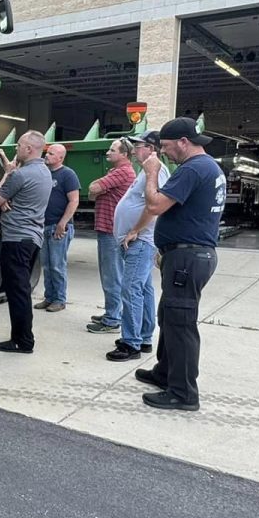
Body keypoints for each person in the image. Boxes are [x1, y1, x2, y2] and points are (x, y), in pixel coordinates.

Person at [134, 117, 225, 411]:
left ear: (184, 142)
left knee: (181, 323)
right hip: (187, 255)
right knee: (169, 317)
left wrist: (151, 172)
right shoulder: (208, 167)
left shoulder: (193, 168)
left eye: (168, 147)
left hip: (188, 257)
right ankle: (165, 373)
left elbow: (155, 205)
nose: (165, 153)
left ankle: (183, 393)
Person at [0, 130, 52, 353]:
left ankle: (22, 341)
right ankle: (21, 337)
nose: (16, 149)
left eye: (18, 146)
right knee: (21, 290)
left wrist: (7, 173)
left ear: (28, 149)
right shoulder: (44, 172)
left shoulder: (20, 174)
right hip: (32, 238)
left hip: (16, 239)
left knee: (18, 292)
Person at [107, 132, 160, 363]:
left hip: (140, 242)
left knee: (130, 290)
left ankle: (131, 343)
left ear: (150, 148)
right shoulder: (146, 172)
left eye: (138, 146)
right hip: (138, 241)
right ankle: (144, 336)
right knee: (143, 289)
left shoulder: (156, 172)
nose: (135, 149)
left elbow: (155, 205)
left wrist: (135, 230)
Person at [85, 138, 137, 336]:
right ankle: (112, 312)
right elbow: (90, 193)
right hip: (107, 229)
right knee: (110, 274)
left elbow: (94, 189)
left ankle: (112, 319)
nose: (108, 152)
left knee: (112, 276)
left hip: (111, 231)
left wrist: (97, 188)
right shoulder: (114, 172)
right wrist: (96, 189)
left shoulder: (123, 171)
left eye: (112, 149)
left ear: (124, 154)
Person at [38, 143, 80, 312]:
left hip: (59, 227)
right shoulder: (43, 173)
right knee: (47, 265)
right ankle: (49, 297)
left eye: (51, 153)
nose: (47, 155)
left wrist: (62, 223)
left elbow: (74, 200)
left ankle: (60, 300)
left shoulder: (67, 175)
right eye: (47, 152)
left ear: (61, 158)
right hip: (43, 226)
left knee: (57, 265)